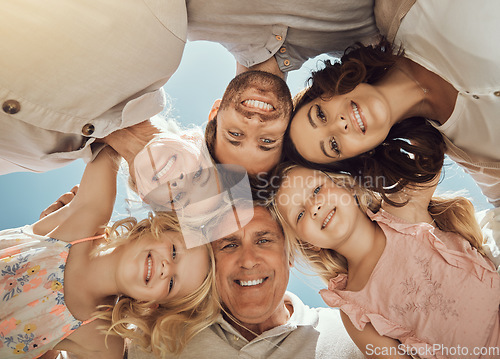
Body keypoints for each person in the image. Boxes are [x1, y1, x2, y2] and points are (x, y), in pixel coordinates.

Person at [0, 147, 219, 358]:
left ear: (153, 304)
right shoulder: (90, 215)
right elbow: (112, 140)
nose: (166, 268)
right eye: (173, 252)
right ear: (156, 228)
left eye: (171, 284)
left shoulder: (102, 340)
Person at [283, 0, 500, 208]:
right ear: (363, 156)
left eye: (320, 115)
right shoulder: (480, 159)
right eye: (333, 145)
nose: (339, 125)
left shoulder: (398, 8)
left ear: (327, 88)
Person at [272, 164, 500, 358]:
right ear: (308, 243)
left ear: (346, 184)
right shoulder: (353, 308)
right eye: (299, 214)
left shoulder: (400, 210)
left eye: (317, 190)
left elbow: (428, 145)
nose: (314, 207)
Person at [128, 205, 364, 358]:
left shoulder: (351, 334)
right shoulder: (158, 337)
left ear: (289, 255)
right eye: (229, 245)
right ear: (211, 264)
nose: (248, 261)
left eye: (263, 241)